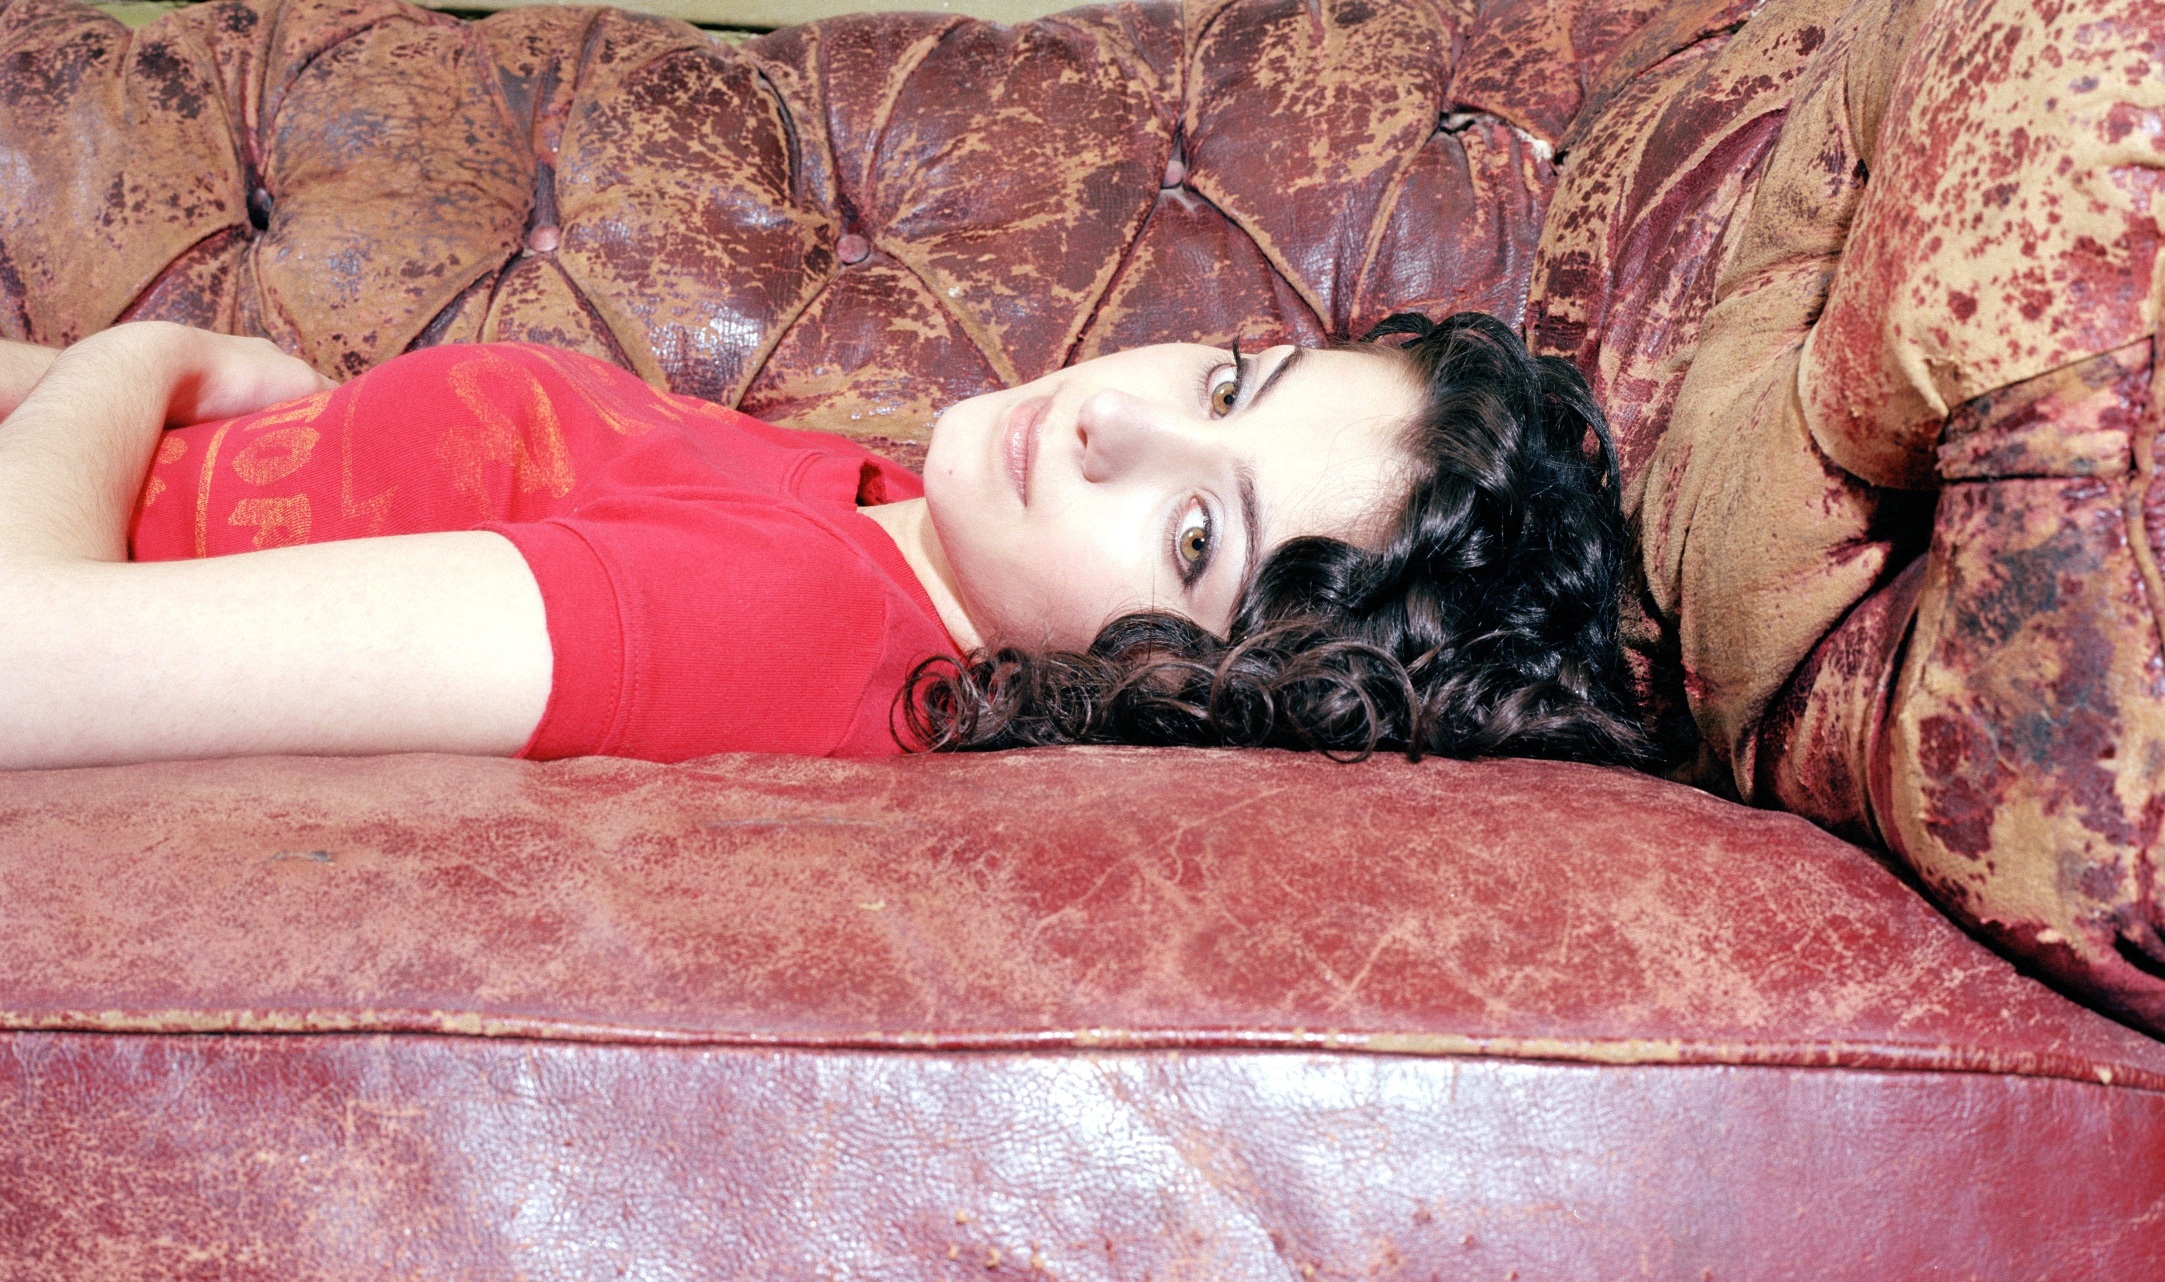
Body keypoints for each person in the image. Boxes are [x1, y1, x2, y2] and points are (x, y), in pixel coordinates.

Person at [0, 311, 1653, 771]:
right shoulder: (894, 520)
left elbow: (24, 663)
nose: (1111, 419)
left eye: (1198, 532)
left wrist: (138, 358)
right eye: (1229, 379)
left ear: (1191, 689)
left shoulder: (772, 619)